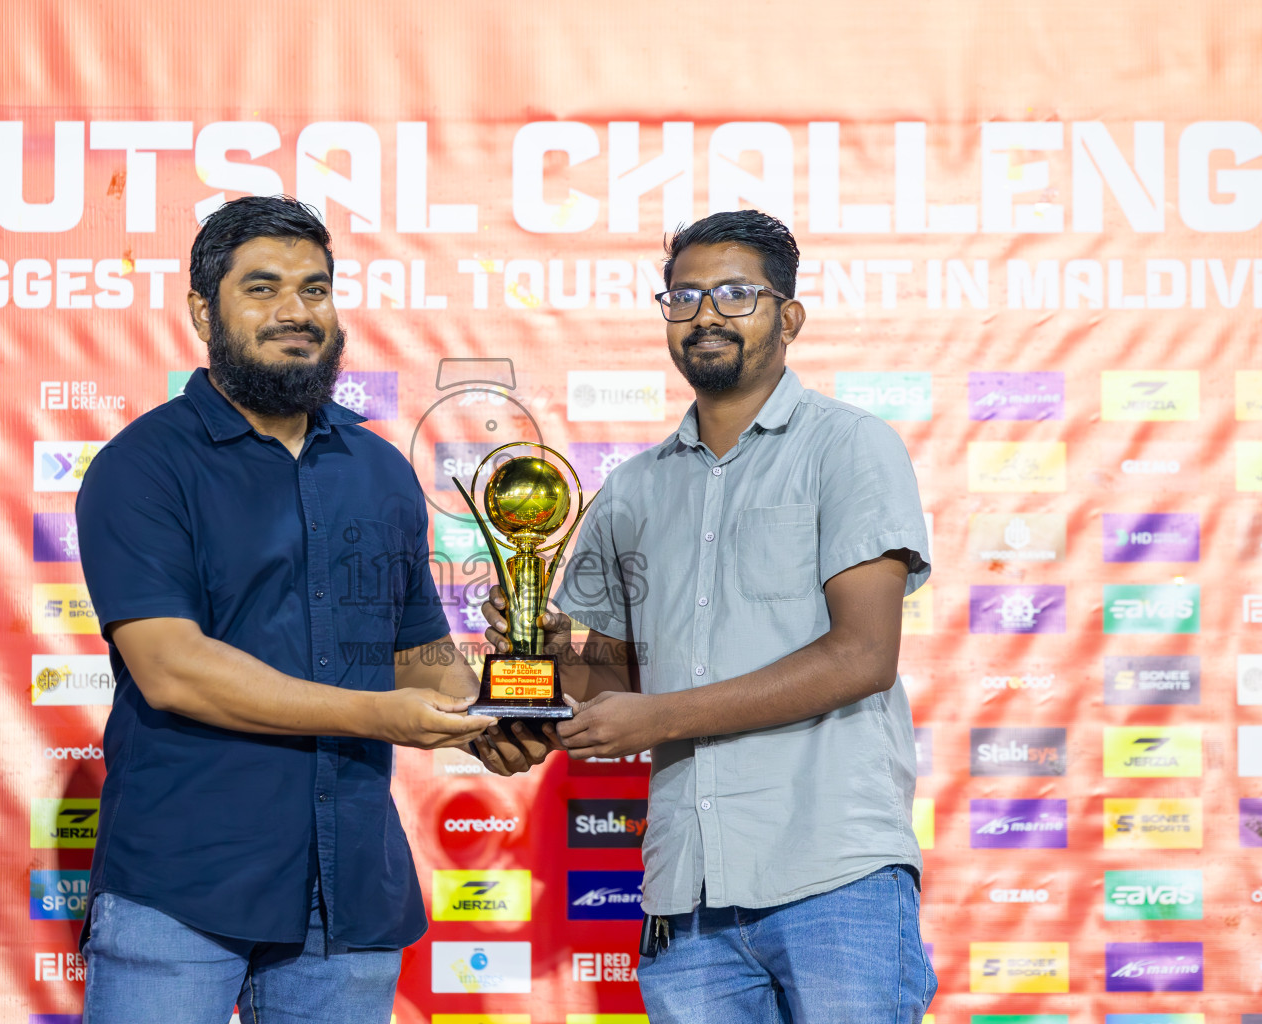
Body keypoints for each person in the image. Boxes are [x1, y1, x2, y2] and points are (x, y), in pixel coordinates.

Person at [74, 195, 545, 1024]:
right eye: (262, 288)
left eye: (315, 289)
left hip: (349, 890)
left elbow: (418, 657)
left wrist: (496, 715)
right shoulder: (143, 465)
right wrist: (379, 715)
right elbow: (173, 670)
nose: (296, 311)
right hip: (183, 885)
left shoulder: (378, 467)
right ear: (203, 311)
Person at [483, 209, 937, 1022]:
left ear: (788, 318)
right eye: (684, 297)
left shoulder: (850, 447)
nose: (705, 315)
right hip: (685, 894)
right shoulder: (633, 490)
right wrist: (544, 658)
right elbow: (611, 684)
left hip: (834, 875)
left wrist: (659, 717)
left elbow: (863, 656)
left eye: (735, 294)